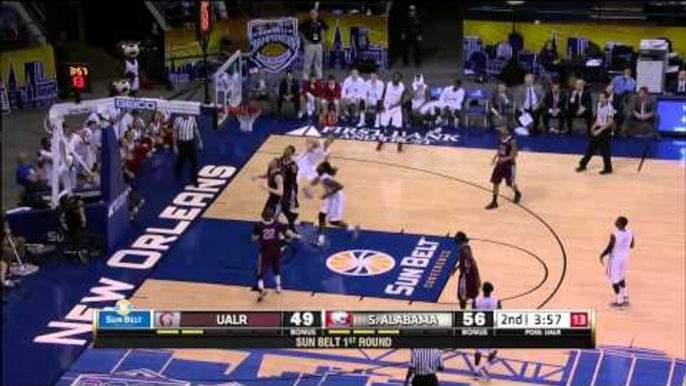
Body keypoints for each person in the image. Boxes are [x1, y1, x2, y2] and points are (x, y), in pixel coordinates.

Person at [252, 207, 300, 302]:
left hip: (265, 251)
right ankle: (278, 286)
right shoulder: (277, 224)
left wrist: (262, 236)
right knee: (276, 268)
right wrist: (296, 236)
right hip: (276, 250)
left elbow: (253, 238)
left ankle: (261, 289)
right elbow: (289, 233)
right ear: (272, 216)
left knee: (260, 270)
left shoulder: (258, 225)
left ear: (263, 216)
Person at [310, 161, 359, 247]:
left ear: (324, 170)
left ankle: (353, 229)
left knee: (333, 221)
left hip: (336, 197)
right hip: (330, 196)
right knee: (321, 216)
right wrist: (334, 170)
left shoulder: (325, 179)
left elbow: (340, 186)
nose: (318, 167)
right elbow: (331, 172)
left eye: (320, 166)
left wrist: (326, 194)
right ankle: (321, 240)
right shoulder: (322, 174)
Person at [600, 216, 634, 307]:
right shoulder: (630, 232)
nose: (615, 221)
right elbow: (632, 245)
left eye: (617, 220)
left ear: (620, 224)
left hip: (615, 259)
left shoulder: (614, 235)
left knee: (614, 281)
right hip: (625, 258)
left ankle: (620, 302)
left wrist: (602, 255)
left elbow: (609, 248)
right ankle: (625, 297)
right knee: (622, 277)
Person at [576, 91, 614, 175]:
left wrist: (599, 130)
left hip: (605, 129)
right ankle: (583, 165)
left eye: (602, 97)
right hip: (598, 127)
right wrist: (593, 127)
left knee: (605, 150)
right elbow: (598, 117)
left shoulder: (610, 108)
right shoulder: (598, 105)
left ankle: (608, 168)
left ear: (607, 98)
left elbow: (610, 122)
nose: (600, 99)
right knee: (591, 148)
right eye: (600, 97)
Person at [486, 127, 522, 209]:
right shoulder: (501, 138)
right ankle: (494, 202)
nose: (500, 131)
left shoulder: (512, 141)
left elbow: (515, 155)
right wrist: (494, 158)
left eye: (502, 129)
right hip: (500, 164)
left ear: (507, 131)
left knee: (510, 184)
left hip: (510, 165)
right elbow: (499, 150)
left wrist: (505, 159)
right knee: (495, 181)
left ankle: (517, 193)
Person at [473, 281, 502, 380]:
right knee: (494, 349)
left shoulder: (476, 300)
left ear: (483, 289)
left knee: (478, 350)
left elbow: (473, 313)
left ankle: (476, 368)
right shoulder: (496, 301)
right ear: (491, 290)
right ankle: (487, 365)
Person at [377, 72, 407, 152]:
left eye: (397, 78)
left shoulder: (402, 87)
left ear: (400, 79)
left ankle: (400, 143)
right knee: (383, 125)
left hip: (396, 108)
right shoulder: (387, 85)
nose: (395, 79)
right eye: (394, 77)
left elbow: (401, 101)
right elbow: (382, 96)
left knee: (399, 126)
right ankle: (381, 141)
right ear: (392, 78)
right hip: (386, 106)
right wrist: (381, 106)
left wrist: (394, 106)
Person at [173, 114, 203, 186]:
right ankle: (177, 169)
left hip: (190, 142)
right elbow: (175, 133)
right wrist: (175, 145)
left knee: (194, 162)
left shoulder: (192, 119)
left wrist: (200, 140)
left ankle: (194, 179)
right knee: (182, 159)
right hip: (181, 143)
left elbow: (196, 129)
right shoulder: (177, 120)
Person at [453, 231, 481, 310]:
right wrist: (457, 267)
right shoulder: (466, 246)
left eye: (456, 237)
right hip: (472, 272)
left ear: (459, 239)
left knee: (462, 296)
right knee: (473, 294)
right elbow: (468, 259)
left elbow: (468, 258)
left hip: (466, 274)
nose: (455, 239)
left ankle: (463, 312)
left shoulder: (463, 249)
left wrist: (466, 269)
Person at [300, 9, 329, 78]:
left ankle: (319, 77)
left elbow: (325, 29)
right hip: (309, 44)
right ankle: (306, 77)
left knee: (319, 62)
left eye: (314, 13)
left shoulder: (320, 21)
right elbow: (300, 31)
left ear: (317, 14)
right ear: (310, 14)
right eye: (311, 13)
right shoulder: (306, 21)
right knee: (308, 62)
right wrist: (304, 40)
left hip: (318, 44)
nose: (313, 15)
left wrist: (323, 39)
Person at [279, 145, 300, 234]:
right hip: (279, 186)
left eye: (288, 150)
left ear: (291, 153)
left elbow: (293, 179)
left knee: (285, 206)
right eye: (285, 149)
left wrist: (282, 179)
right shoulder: (279, 161)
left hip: (289, 188)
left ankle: (291, 225)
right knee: (279, 206)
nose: (285, 151)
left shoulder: (293, 165)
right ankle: (291, 218)